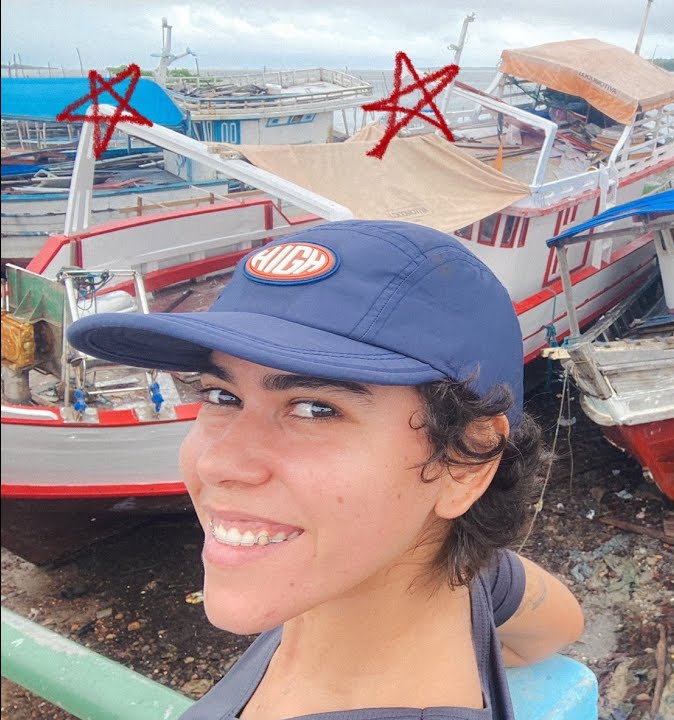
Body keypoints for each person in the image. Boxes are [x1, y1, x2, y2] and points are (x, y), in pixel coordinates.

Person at [67, 220, 585, 720]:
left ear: (465, 461)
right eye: (222, 396)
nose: (216, 463)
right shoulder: (465, 574)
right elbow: (560, 624)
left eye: (315, 409)